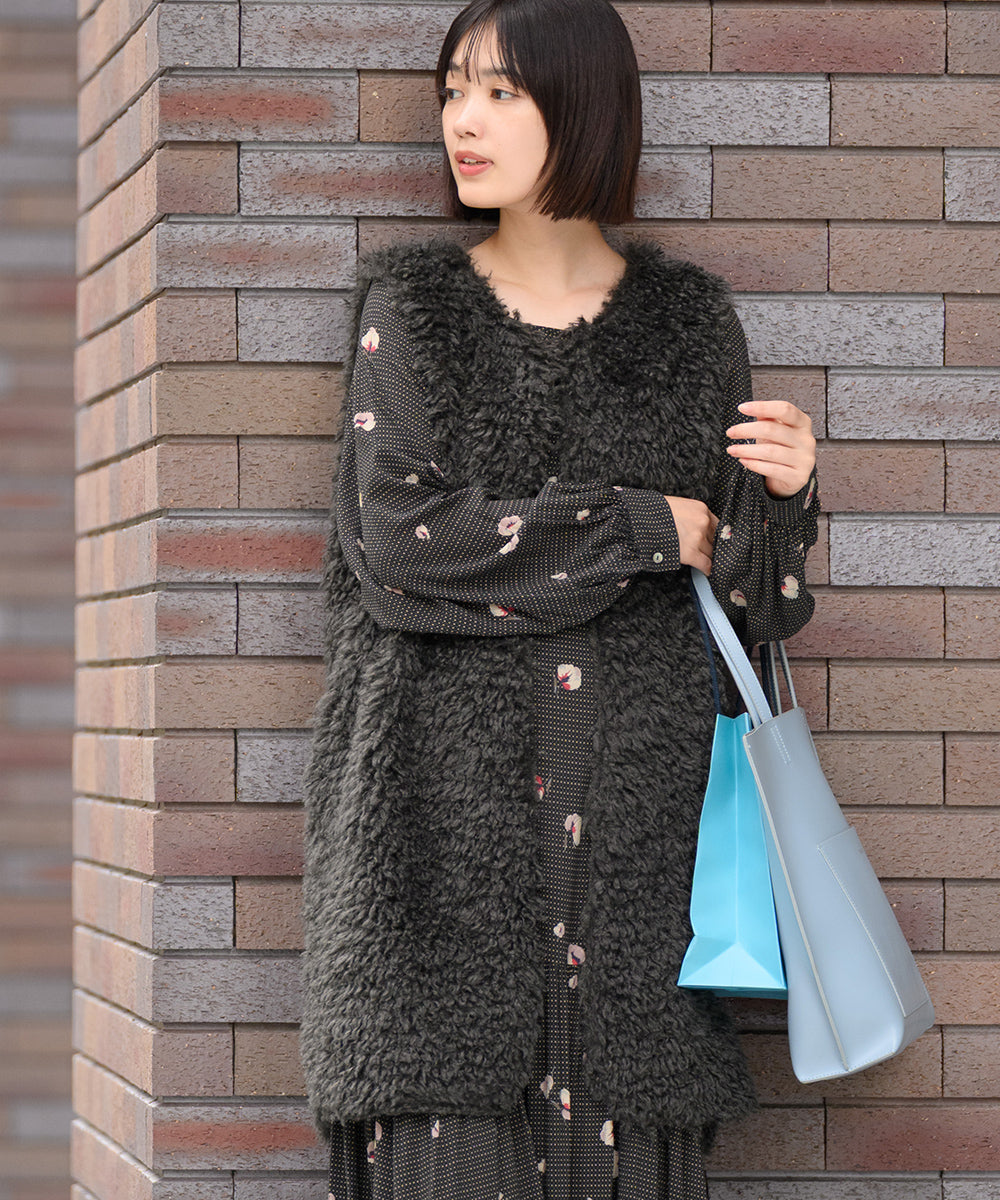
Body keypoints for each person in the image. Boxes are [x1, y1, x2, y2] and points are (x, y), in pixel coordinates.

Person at [299, 0, 819, 1196]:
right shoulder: (413, 311)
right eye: (452, 92)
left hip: (638, 862)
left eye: (500, 93)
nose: (462, 121)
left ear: (582, 107)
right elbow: (402, 547)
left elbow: (752, 609)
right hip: (435, 847)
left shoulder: (689, 328)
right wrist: (642, 527)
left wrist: (783, 501)